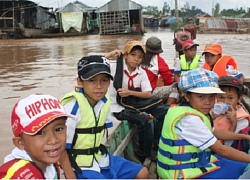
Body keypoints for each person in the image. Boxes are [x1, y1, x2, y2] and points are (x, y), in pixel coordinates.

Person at [59, 55, 148, 179]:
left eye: (104, 80)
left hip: (99, 156)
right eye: (92, 80)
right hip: (79, 163)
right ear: (80, 82)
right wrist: (70, 176)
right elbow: (60, 148)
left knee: (142, 172)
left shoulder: (104, 102)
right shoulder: (73, 107)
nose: (99, 86)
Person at [157, 68, 250, 179]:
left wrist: (244, 137)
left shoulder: (184, 109)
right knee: (244, 169)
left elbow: (215, 132)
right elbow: (221, 150)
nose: (208, 102)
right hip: (182, 173)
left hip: (187, 165)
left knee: (240, 164)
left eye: (211, 96)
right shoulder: (190, 119)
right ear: (187, 96)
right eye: (201, 96)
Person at [108, 40, 169, 161]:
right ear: (125, 55)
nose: (136, 59)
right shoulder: (114, 67)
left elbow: (147, 94)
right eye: (133, 54)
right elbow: (91, 63)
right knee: (146, 119)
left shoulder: (141, 72)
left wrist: (130, 92)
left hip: (135, 104)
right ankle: (145, 153)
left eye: (140, 57)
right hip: (119, 108)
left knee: (167, 111)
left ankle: (155, 143)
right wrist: (109, 55)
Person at [0, 94, 71, 179]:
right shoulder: (19, 175)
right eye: (40, 133)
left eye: (58, 129)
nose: (53, 140)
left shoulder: (46, 158)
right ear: (20, 142)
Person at [213, 75, 250, 147]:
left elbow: (229, 145)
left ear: (239, 99)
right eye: (221, 97)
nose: (225, 102)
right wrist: (211, 117)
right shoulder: (210, 109)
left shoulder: (241, 120)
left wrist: (233, 124)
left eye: (230, 98)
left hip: (221, 151)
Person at [140, 36, 175, 103]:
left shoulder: (138, 56)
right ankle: (167, 106)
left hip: (136, 92)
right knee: (175, 89)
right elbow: (168, 78)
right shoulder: (158, 60)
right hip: (150, 92)